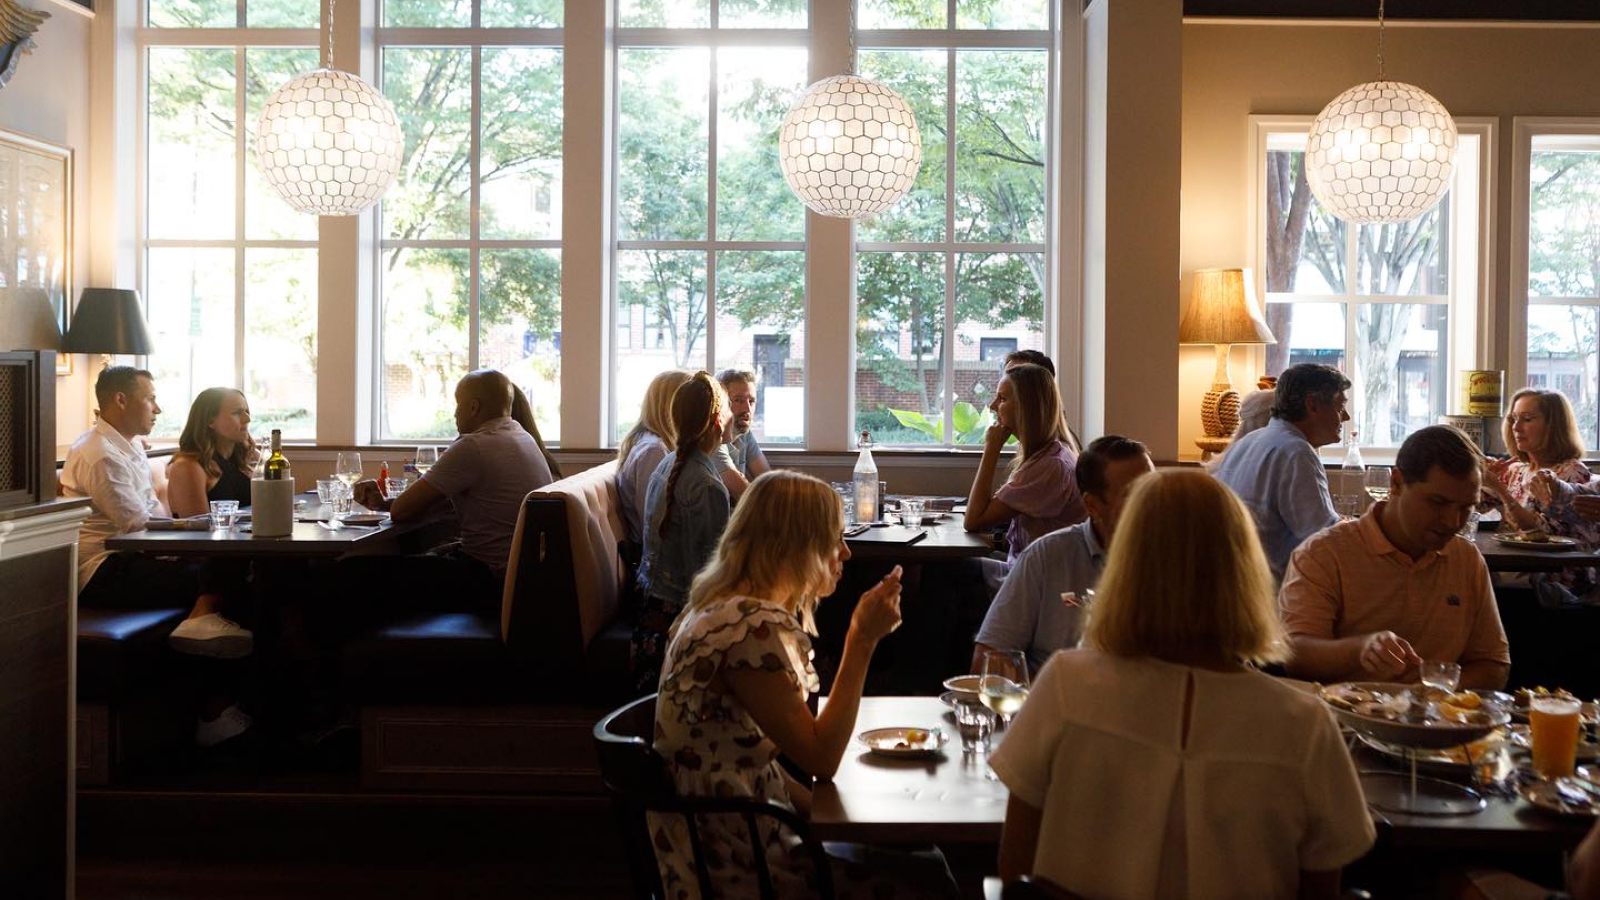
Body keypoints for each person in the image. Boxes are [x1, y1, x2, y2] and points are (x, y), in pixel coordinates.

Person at [991, 470, 1375, 899]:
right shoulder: (1303, 723)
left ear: (1126, 566)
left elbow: (1016, 866)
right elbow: (1322, 884)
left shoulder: (1067, 686)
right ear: (1243, 570)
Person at [652, 470, 958, 900]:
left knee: (921, 856)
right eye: (835, 538)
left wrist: (848, 818)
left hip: (726, 836)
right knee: (928, 877)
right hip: (740, 862)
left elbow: (752, 760)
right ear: (795, 546)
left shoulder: (713, 609)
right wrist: (861, 640)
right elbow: (821, 757)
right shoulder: (748, 627)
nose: (846, 552)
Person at [63, 367, 253, 746]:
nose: (158, 408)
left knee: (242, 572)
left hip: (134, 558)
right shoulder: (99, 455)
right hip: (103, 570)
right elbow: (136, 526)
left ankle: (218, 699)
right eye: (150, 399)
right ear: (120, 400)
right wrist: (199, 527)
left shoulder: (128, 445)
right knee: (236, 578)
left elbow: (149, 520)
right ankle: (213, 712)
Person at [1280, 425, 1511, 689]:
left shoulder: (1466, 558)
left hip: (1437, 713)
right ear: (1397, 483)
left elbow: (1494, 665)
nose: (1452, 521)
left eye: (1465, 507)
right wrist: (1360, 650)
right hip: (1344, 712)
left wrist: (1430, 693)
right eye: (1438, 502)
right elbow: (1295, 656)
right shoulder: (1323, 554)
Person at [350, 369, 555, 605]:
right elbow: (436, 503)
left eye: (458, 404)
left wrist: (390, 505)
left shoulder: (474, 446)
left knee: (351, 573)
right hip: (519, 576)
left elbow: (401, 512)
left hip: (486, 579)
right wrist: (383, 503)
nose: (455, 413)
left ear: (474, 407)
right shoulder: (523, 437)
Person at [971, 435, 1154, 674]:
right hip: (1056, 693)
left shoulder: (1177, 560)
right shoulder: (1045, 558)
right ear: (1092, 506)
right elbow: (990, 660)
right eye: (1134, 496)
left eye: (1153, 490)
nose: (1151, 504)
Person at [631, 372, 732, 692]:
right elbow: (707, 579)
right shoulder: (707, 484)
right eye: (729, 407)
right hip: (678, 626)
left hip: (649, 614)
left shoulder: (667, 464)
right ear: (718, 421)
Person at [1210, 363, 1348, 580]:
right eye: (1340, 407)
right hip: (1276, 589)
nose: (1346, 417)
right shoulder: (1296, 452)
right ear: (1312, 405)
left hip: (1238, 582)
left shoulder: (1248, 442)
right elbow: (1323, 539)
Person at [163, 387, 259, 657]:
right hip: (209, 559)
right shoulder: (189, 465)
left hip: (241, 550)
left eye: (247, 411)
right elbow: (200, 535)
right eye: (237, 412)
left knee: (290, 570)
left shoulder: (243, 462)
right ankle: (202, 615)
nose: (247, 419)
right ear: (209, 420)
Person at [962, 362, 1086, 564]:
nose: (992, 406)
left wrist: (991, 449)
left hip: (1038, 577)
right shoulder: (1048, 455)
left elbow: (974, 520)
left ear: (1027, 408)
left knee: (939, 568)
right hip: (1024, 565)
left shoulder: (1050, 466)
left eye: (1002, 399)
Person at [1482, 388, 1595, 537]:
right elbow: (1475, 507)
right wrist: (1480, 479)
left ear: (1553, 426)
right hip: (1512, 551)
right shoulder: (1516, 470)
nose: (1516, 427)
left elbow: (1545, 533)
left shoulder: (1573, 472)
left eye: (1527, 419)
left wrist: (1500, 490)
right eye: (1514, 419)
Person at [616, 369, 691, 546]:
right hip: (654, 556)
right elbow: (653, 524)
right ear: (673, 405)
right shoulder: (654, 451)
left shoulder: (655, 444)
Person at [711, 368, 771, 501]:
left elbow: (768, 481)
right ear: (720, 403)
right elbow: (743, 494)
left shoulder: (744, 434)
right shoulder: (711, 442)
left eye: (751, 401)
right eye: (738, 400)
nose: (747, 409)